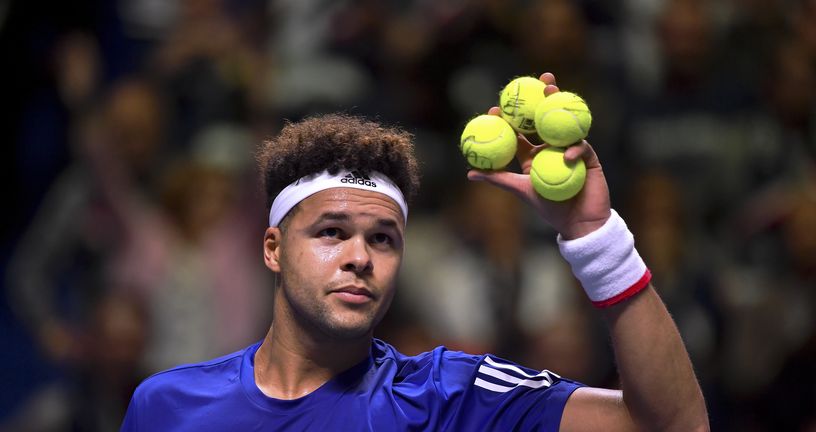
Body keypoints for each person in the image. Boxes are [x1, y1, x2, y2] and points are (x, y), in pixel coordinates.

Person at [121, 73, 709, 431]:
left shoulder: (452, 397)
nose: (360, 257)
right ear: (272, 248)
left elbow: (675, 426)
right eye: (331, 233)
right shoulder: (168, 406)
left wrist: (595, 235)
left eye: (383, 239)